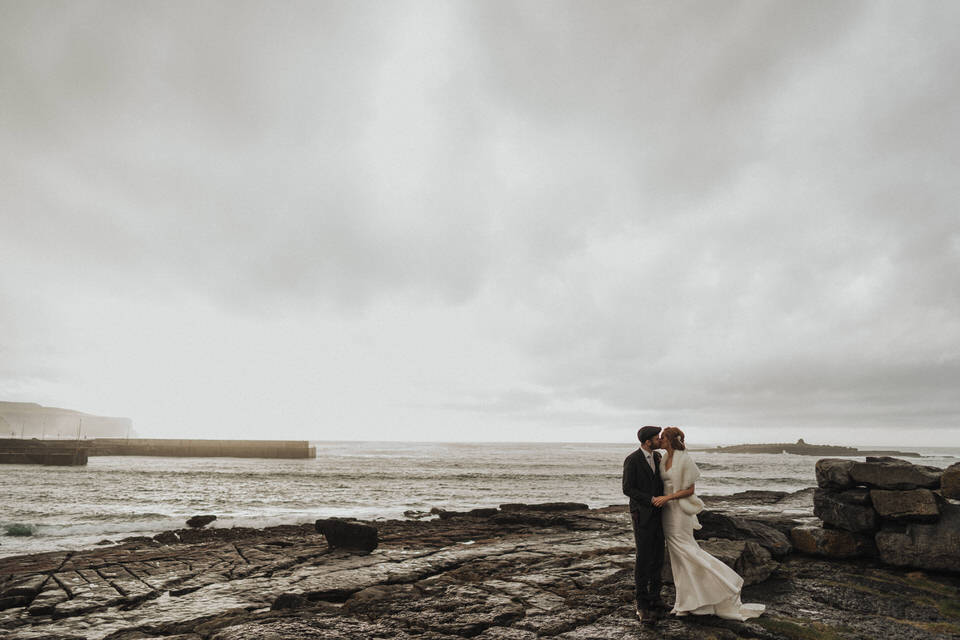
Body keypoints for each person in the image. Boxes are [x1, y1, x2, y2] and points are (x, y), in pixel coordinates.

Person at [653, 426, 765, 620]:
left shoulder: (685, 459)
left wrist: (667, 498)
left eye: (662, 438)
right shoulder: (663, 459)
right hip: (667, 513)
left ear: (670, 440)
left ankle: (725, 584)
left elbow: (689, 490)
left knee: (687, 551)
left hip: (679, 512)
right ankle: (688, 602)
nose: (660, 441)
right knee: (678, 558)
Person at [621, 425, 666, 626]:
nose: (659, 440)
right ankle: (642, 604)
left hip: (660, 515)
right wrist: (651, 499)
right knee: (643, 557)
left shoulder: (657, 457)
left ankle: (656, 598)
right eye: (657, 438)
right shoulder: (632, 460)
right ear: (647, 441)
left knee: (658, 556)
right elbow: (627, 488)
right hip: (642, 515)